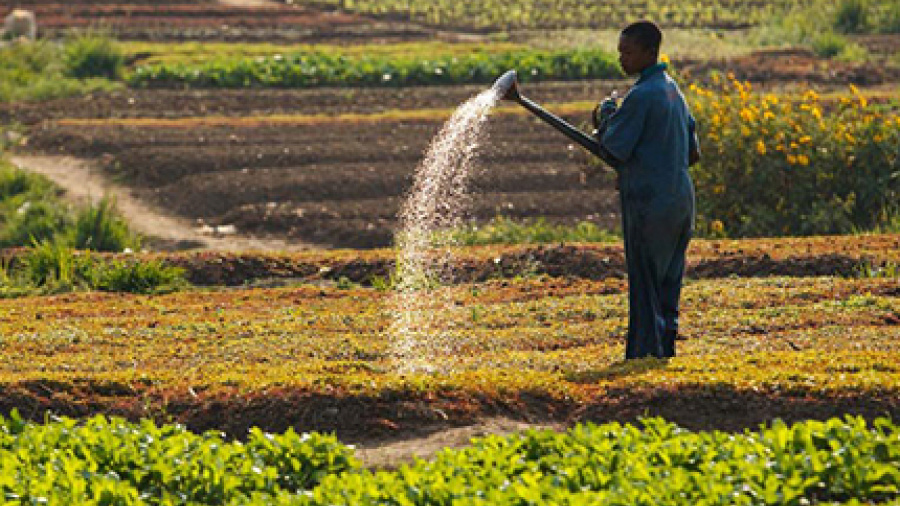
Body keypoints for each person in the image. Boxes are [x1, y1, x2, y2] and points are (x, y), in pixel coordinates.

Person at [592, 20, 700, 359]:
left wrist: (607, 114)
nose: (622, 59)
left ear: (649, 53)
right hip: (680, 201)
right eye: (620, 52)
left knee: (645, 283)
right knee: (668, 282)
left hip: (650, 204)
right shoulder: (673, 91)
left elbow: (614, 148)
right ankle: (664, 350)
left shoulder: (642, 95)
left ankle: (643, 354)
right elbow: (692, 153)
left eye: (628, 52)